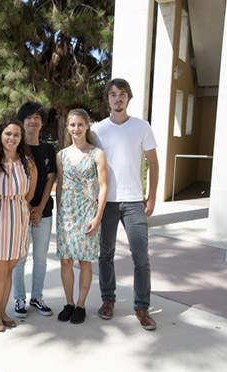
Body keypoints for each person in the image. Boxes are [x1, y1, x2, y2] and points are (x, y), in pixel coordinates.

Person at [91, 78, 159, 330]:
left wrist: (151, 197)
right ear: (107, 99)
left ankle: (142, 307)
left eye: (122, 94)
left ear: (128, 98)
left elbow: (153, 163)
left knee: (141, 257)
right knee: (105, 254)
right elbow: (91, 166)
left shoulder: (142, 127)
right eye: (112, 95)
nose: (117, 99)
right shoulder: (98, 129)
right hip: (106, 202)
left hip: (133, 202)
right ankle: (108, 300)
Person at [0, 119, 37, 332]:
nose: (11, 138)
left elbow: (30, 192)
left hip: (18, 217)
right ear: (0, 135)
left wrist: (21, 206)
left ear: (21, 138)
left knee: (9, 270)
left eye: (16, 135)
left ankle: (3, 311)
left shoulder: (27, 162)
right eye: (8, 134)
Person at [55, 109, 108, 324]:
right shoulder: (62, 155)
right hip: (66, 213)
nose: (76, 129)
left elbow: (103, 187)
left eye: (80, 124)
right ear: (67, 128)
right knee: (66, 261)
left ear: (87, 126)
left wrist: (97, 217)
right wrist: (60, 214)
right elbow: (60, 185)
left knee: (85, 261)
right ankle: (68, 303)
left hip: (87, 212)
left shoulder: (97, 154)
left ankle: (80, 305)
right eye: (72, 125)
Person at [11, 102, 58, 318]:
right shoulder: (16, 148)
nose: (33, 121)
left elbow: (51, 179)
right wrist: (28, 207)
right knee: (20, 258)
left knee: (40, 258)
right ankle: (18, 298)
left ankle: (37, 297)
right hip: (20, 212)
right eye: (29, 117)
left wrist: (39, 208)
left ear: (42, 122)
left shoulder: (49, 149)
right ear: (22, 120)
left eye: (37, 117)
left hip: (44, 212)